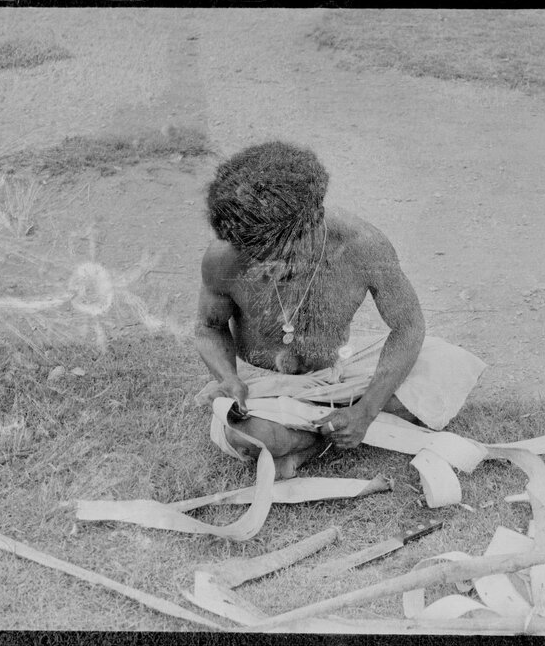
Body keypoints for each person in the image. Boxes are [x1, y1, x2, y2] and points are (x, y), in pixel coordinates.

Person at [195, 141, 484, 478]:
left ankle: (313, 438)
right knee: (246, 434)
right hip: (264, 387)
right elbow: (209, 327)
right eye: (257, 257)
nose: (268, 267)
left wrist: (366, 410)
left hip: (339, 372)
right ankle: (322, 433)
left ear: (314, 222)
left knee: (448, 364)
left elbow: (408, 327)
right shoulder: (224, 256)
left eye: (281, 256)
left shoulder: (363, 245)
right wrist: (229, 379)